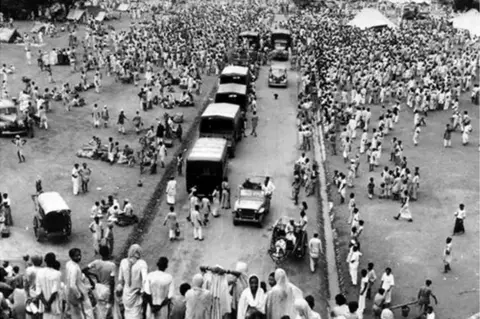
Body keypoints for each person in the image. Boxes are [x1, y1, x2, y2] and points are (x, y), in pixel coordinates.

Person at [118, 244, 148, 319]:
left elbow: (120, 280)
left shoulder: (123, 262)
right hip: (135, 296)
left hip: (126, 295)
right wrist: (142, 291)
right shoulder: (142, 263)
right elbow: (145, 280)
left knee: (127, 314)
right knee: (136, 314)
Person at [85, 246, 115, 319]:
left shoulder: (96, 262)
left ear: (100, 253)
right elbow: (112, 281)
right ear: (109, 253)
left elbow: (84, 270)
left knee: (99, 309)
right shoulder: (112, 265)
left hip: (98, 288)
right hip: (107, 289)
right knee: (107, 311)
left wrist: (93, 276)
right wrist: (112, 296)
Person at [65, 248, 94, 319]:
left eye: (79, 255)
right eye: (76, 256)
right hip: (79, 291)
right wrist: (79, 295)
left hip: (70, 292)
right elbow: (72, 284)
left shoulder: (68, 263)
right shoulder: (74, 267)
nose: (79, 257)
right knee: (88, 311)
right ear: (71, 257)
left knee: (74, 311)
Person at [36, 253, 62, 319]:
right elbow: (55, 291)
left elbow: (38, 291)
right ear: (54, 261)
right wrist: (49, 304)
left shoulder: (39, 272)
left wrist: (45, 304)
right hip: (54, 305)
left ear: (45, 260)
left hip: (44, 306)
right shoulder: (57, 273)